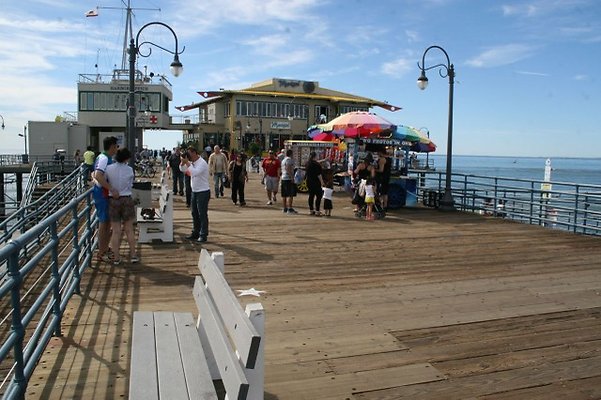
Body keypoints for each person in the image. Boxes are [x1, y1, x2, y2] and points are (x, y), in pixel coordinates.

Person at [105, 148, 138, 265]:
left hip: (113, 200)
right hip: (126, 199)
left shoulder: (108, 169)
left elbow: (103, 181)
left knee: (116, 231)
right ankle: (133, 255)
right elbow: (130, 184)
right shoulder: (129, 170)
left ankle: (116, 257)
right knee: (129, 229)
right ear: (126, 158)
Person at [92, 136, 119, 262]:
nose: (117, 149)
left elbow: (94, 174)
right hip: (103, 193)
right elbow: (98, 175)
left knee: (106, 222)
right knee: (104, 223)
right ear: (112, 146)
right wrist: (111, 188)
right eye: (116, 146)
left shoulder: (103, 157)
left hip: (103, 192)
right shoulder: (104, 158)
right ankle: (102, 252)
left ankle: (104, 248)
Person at [180, 147, 211, 243]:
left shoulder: (202, 163)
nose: (188, 156)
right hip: (195, 191)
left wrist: (188, 163)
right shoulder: (192, 163)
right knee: (194, 213)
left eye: (189, 154)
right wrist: (182, 162)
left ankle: (203, 234)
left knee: (202, 214)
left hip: (203, 191)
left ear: (194, 153)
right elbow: (183, 170)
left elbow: (194, 172)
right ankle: (195, 232)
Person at [305, 151, 324, 216]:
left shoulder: (307, 163)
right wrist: (322, 182)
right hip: (316, 182)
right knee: (319, 196)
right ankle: (317, 210)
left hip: (309, 182)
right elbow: (319, 175)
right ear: (315, 156)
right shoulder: (317, 165)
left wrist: (323, 160)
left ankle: (311, 210)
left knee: (311, 196)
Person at [280, 149, 298, 214]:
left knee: (284, 194)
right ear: (291, 154)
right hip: (288, 178)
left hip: (283, 178)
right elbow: (288, 168)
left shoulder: (283, 160)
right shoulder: (289, 160)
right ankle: (289, 208)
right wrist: (291, 177)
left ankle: (285, 208)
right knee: (290, 194)